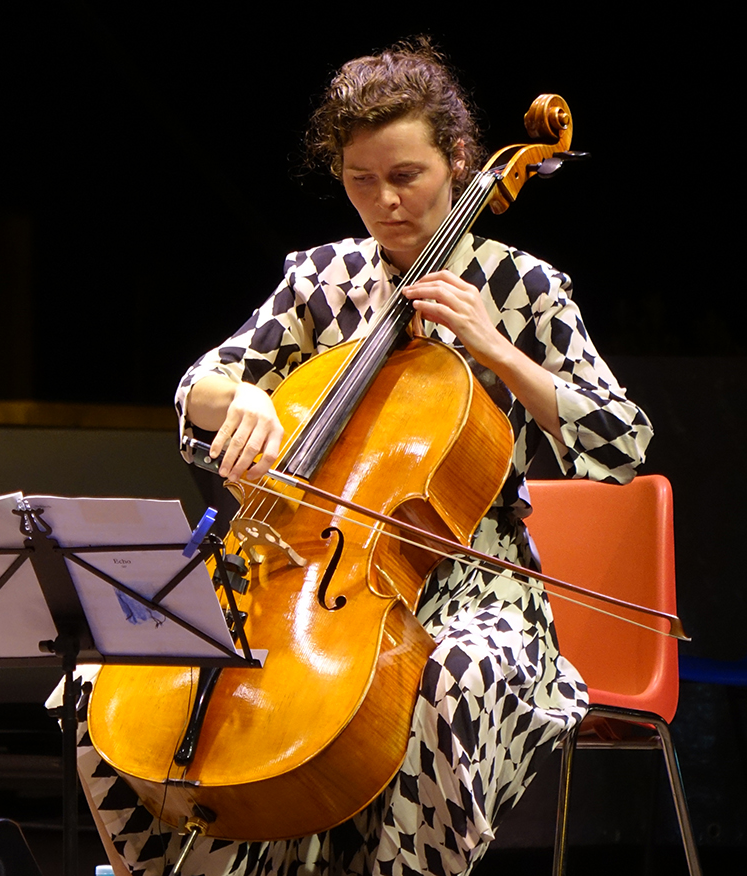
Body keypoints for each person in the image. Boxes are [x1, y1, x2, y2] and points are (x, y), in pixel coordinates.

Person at [77, 41, 651, 876]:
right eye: (358, 179)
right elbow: (195, 388)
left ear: (459, 161)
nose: (384, 201)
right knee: (103, 691)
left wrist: (499, 353)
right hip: (296, 570)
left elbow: (621, 442)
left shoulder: (523, 287)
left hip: (473, 584)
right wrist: (232, 398)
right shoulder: (319, 281)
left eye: (406, 175)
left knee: (447, 679)